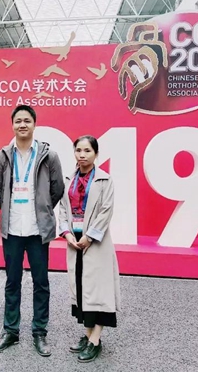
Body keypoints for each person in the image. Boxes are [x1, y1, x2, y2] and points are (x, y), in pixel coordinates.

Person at [0, 105, 65, 357]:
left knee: (40, 282)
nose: (22, 125)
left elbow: (57, 188)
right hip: (12, 229)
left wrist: (43, 208)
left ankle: (39, 332)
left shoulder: (48, 156)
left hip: (37, 230)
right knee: (12, 282)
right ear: (12, 125)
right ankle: (11, 330)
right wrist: (10, 208)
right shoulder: (3, 155)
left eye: (27, 121)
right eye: (18, 121)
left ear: (34, 124)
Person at [58, 135, 120, 363]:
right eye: (78, 150)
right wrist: (66, 233)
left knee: (99, 290)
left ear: (96, 154)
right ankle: (87, 334)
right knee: (82, 287)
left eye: (87, 151)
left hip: (95, 241)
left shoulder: (105, 180)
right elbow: (62, 209)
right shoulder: (69, 179)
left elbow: (106, 211)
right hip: (74, 240)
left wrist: (89, 236)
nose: (82, 155)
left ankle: (95, 340)